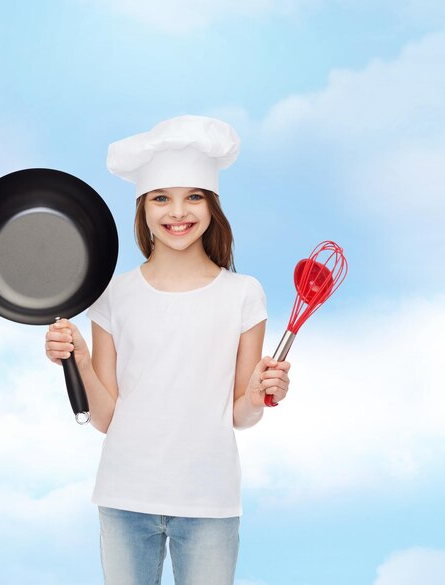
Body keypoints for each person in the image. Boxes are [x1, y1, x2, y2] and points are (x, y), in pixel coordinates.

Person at [45, 115, 291, 585]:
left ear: (211, 205)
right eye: (162, 198)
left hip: (209, 500)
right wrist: (76, 354)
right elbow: (104, 418)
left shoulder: (243, 294)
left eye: (193, 196)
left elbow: (241, 414)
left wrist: (261, 393)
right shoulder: (113, 295)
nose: (178, 212)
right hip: (125, 495)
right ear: (143, 207)